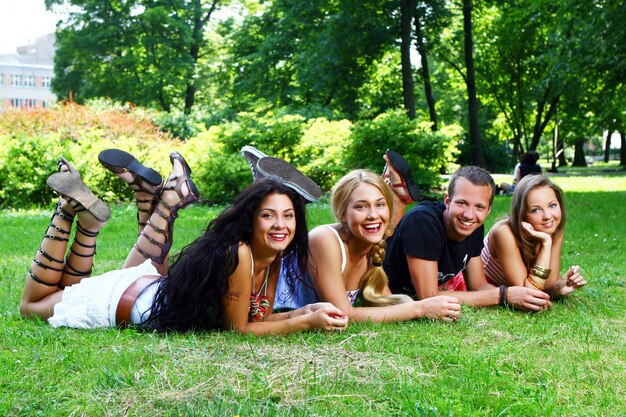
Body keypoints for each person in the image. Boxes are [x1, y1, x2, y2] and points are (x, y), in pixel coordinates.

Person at [19, 150, 348, 335]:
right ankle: (67, 209)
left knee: (70, 288)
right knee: (32, 306)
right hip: (121, 300)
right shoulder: (242, 253)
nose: (281, 225)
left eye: (289, 216)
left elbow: (257, 317)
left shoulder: (270, 255)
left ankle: (100, 214)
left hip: (145, 289)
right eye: (269, 216)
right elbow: (240, 330)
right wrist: (306, 321)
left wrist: (308, 308)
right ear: (250, 218)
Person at [265, 164, 462, 323]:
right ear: (343, 213)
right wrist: (420, 307)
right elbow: (344, 313)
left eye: (380, 204)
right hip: (258, 300)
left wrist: (435, 307)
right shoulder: (324, 239)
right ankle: (265, 185)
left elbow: (390, 305)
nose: (373, 215)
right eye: (361, 206)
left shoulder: (370, 247)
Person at [384, 165, 552, 311]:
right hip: (379, 292)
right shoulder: (423, 222)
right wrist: (503, 295)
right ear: (447, 201)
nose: (469, 215)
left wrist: (522, 296)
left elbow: (477, 285)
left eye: (479, 207)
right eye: (462, 203)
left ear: (488, 211)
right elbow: (429, 295)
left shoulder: (473, 228)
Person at [482, 174, 586, 297]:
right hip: (486, 290)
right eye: (536, 210)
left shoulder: (553, 229)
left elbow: (547, 284)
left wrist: (556, 289)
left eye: (552, 205)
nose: (547, 216)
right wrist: (546, 243)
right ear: (522, 214)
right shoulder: (503, 232)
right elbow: (529, 294)